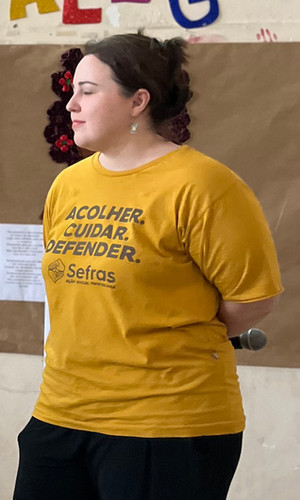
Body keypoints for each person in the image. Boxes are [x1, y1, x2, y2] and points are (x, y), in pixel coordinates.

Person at [15, 33, 283, 500]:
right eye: (71, 90)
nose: (70, 104)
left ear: (138, 100)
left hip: (167, 422)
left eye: (88, 91)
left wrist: (176, 325)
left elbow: (253, 299)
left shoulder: (204, 185)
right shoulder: (69, 184)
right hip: (61, 411)